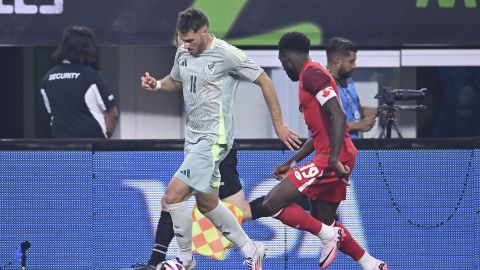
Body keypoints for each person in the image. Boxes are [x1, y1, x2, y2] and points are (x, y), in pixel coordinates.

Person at [140, 8, 300, 270]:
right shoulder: (183, 51)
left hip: (214, 140)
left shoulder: (227, 54)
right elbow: (176, 79)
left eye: (190, 40)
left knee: (172, 196)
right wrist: (157, 84)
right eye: (182, 40)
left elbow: (264, 81)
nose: (185, 45)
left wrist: (279, 124)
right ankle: (251, 249)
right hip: (192, 140)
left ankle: (185, 260)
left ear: (204, 31)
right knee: (208, 203)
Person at [252, 32, 387, 270]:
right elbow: (320, 133)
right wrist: (292, 161)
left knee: (272, 203)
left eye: (283, 63)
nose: (284, 68)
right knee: (323, 221)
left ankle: (327, 236)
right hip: (335, 155)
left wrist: (333, 158)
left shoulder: (312, 74)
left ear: (286, 56)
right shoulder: (311, 76)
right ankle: (371, 263)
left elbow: (339, 115)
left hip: (332, 158)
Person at [40, 25, 118, 138]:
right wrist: (104, 138)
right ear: (87, 48)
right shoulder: (92, 77)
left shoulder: (48, 78)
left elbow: (52, 112)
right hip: (91, 147)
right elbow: (113, 114)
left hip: (60, 147)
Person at [326, 37, 377, 139]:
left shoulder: (348, 80)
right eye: (351, 61)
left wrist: (380, 110)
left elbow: (357, 110)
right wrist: (357, 126)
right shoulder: (323, 85)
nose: (354, 66)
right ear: (337, 61)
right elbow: (325, 126)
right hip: (333, 151)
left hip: (353, 148)